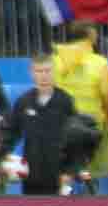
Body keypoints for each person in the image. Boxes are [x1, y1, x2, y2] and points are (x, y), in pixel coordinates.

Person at [53, 22, 108, 182]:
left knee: (63, 174)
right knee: (90, 173)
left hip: (61, 126)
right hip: (91, 128)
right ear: (91, 36)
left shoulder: (55, 61)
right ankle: (89, 204)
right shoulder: (100, 63)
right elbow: (107, 95)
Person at [4, 54, 79, 195]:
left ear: (54, 72)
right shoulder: (23, 102)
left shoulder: (65, 101)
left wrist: (70, 172)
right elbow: (11, 133)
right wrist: (2, 158)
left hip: (59, 175)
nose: (44, 76)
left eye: (47, 71)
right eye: (39, 71)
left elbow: (76, 139)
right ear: (32, 73)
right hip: (32, 176)